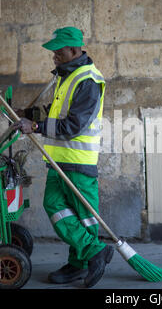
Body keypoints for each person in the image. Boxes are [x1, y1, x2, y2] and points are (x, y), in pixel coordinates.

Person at [13, 26, 113, 288]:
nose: (54, 56)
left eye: (59, 51)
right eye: (53, 52)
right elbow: (57, 112)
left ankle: (85, 259)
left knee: (84, 217)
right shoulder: (67, 76)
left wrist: (34, 127)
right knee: (55, 205)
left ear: (75, 50)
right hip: (59, 161)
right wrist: (31, 114)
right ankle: (90, 253)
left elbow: (72, 126)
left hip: (78, 162)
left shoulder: (88, 81)